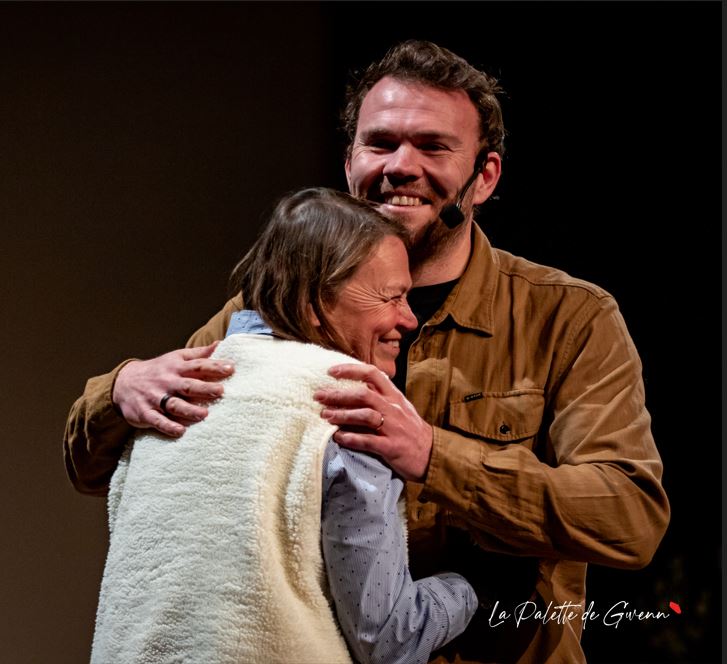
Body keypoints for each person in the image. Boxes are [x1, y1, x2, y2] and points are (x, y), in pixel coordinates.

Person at [65, 41, 670, 663]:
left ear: (485, 175)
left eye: (433, 146)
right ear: (350, 159)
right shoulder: (276, 306)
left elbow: (630, 519)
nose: (401, 166)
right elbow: (103, 470)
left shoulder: (567, 318)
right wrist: (121, 389)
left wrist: (434, 456)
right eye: (380, 143)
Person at [92, 188, 476, 664]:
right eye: (391, 296)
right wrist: (467, 588)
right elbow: (388, 640)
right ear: (316, 303)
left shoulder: (158, 398)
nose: (409, 318)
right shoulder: (347, 412)